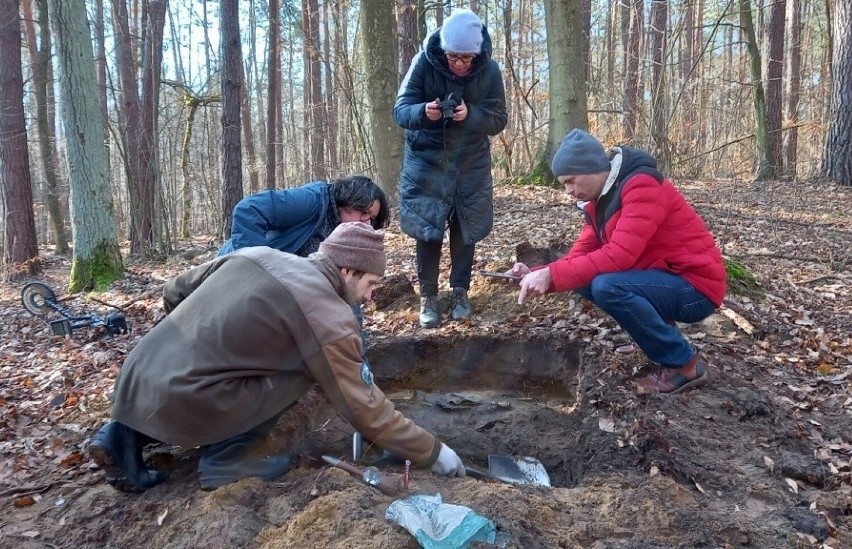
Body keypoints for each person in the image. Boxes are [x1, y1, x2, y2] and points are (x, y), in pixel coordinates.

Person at [88, 222, 466, 492]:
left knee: (208, 361)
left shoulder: (257, 255)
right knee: (301, 372)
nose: (370, 297)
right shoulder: (328, 317)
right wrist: (433, 452)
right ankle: (226, 460)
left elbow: (174, 291)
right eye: (370, 284)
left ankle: (121, 437)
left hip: (135, 375)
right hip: (185, 395)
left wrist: (195, 340)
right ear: (348, 270)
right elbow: (363, 406)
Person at [506, 129, 727, 395]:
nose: (569, 191)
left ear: (590, 169)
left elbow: (620, 255)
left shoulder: (641, 185)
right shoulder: (599, 202)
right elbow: (579, 257)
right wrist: (538, 273)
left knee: (607, 286)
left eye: (570, 181)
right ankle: (660, 338)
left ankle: (684, 364)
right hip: (666, 280)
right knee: (584, 279)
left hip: (697, 288)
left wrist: (553, 274)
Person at [393, 8, 508, 328]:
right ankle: (428, 297)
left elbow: (499, 119)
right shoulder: (423, 63)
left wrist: (469, 114)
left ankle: (460, 292)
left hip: (470, 162)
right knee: (427, 229)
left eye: (465, 58)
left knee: (465, 227)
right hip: (427, 161)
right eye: (453, 57)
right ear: (443, 49)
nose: (458, 64)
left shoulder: (490, 70)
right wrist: (424, 112)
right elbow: (400, 111)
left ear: (477, 53)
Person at [218, 175, 390, 256]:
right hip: (231, 272)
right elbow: (249, 209)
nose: (367, 224)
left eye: (372, 219)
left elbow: (348, 290)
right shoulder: (313, 200)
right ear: (348, 201)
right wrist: (258, 263)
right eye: (364, 213)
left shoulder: (348, 239)